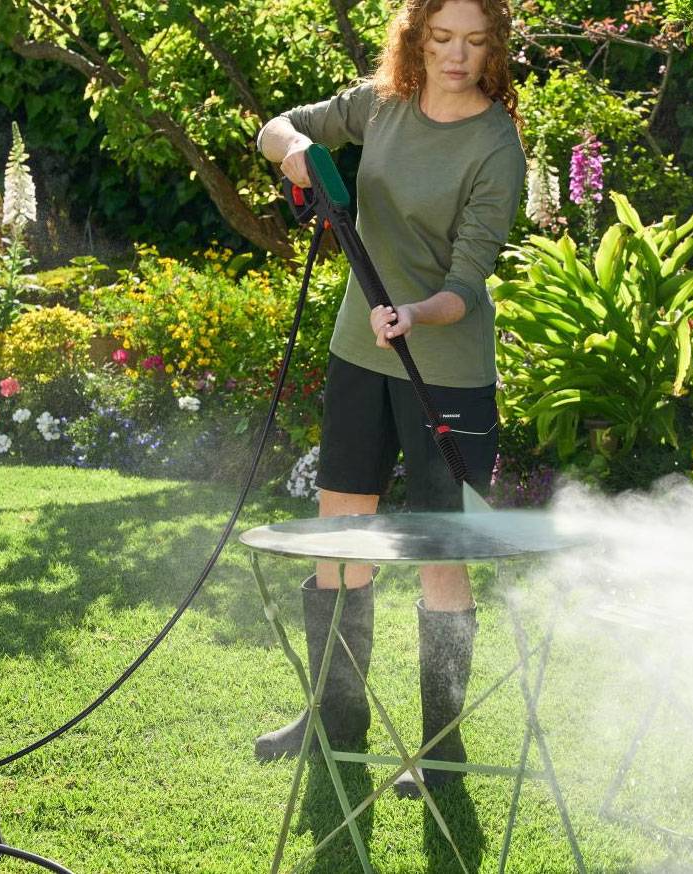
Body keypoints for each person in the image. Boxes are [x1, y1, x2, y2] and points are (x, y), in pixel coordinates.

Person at [252, 0, 526, 798]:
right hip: (358, 354)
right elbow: (274, 128)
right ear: (416, 37)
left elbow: (466, 283)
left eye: (474, 42)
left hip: (445, 369)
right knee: (340, 541)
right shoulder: (381, 104)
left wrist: (414, 312)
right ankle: (335, 722)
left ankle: (441, 751)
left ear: (493, 48)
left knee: (440, 553)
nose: (456, 55)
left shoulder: (496, 145)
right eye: (441, 38)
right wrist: (296, 152)